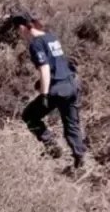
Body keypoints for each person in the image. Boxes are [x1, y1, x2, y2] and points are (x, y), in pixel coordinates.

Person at [8, 13, 85, 168]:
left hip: (58, 89)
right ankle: (80, 160)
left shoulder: (36, 43)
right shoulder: (51, 37)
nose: (20, 35)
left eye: (19, 31)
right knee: (72, 125)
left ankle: (52, 147)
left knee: (29, 115)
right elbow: (58, 62)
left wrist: (44, 95)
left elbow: (44, 68)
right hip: (72, 85)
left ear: (22, 28)